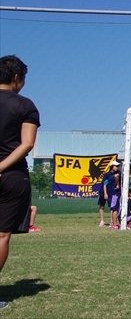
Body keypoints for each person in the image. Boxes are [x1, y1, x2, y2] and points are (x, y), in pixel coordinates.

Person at [0, 55, 41, 310]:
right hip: (12, 176)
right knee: (2, 235)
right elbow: (27, 143)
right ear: (17, 77)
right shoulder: (25, 105)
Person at [106, 161, 121, 229]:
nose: (117, 167)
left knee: (115, 208)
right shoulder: (108, 175)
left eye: (117, 166)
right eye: (115, 166)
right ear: (112, 166)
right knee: (114, 208)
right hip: (112, 193)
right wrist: (105, 193)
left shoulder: (119, 172)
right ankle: (114, 224)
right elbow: (105, 184)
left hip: (117, 193)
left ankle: (113, 223)